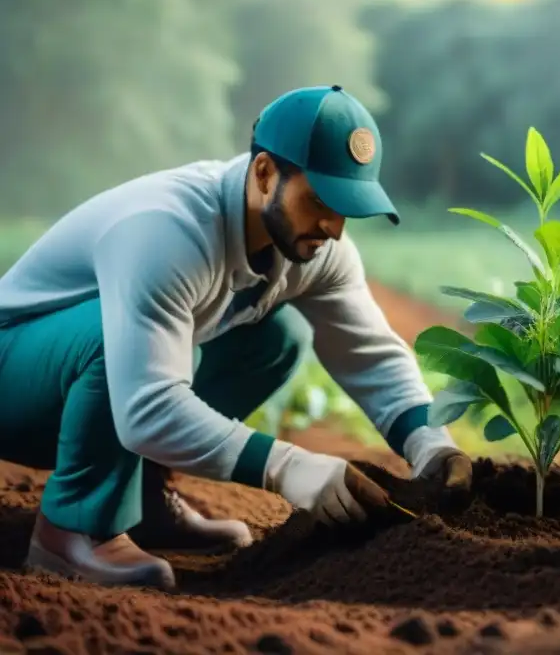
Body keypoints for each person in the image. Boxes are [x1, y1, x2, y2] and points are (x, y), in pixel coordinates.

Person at [0, 84, 472, 591]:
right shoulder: (167, 231)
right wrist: (286, 466)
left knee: (279, 337)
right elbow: (146, 406)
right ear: (266, 174)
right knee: (108, 339)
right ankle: (74, 530)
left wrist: (431, 445)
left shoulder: (316, 246)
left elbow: (370, 354)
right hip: (17, 377)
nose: (333, 227)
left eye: (347, 207)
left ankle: (144, 499)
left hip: (89, 396)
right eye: (319, 200)